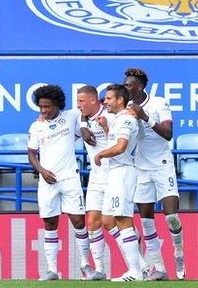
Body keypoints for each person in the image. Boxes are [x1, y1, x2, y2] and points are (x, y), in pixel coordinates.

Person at [124, 68, 186, 280]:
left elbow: (168, 134)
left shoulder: (159, 103)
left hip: (162, 165)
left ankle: (178, 253)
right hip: (141, 168)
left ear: (139, 87)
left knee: (172, 217)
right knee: (146, 221)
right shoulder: (126, 107)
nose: (126, 88)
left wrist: (145, 117)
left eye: (129, 85)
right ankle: (158, 268)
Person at [27, 84, 93, 281]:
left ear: (57, 104)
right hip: (48, 181)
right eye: (41, 107)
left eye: (47, 106)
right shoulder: (36, 126)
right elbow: (31, 155)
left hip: (70, 178)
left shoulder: (71, 116)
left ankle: (85, 266)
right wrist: (43, 172)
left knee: (79, 221)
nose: (44, 111)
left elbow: (85, 113)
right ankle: (52, 270)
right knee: (50, 223)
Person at [94, 84, 143, 281]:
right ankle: (141, 264)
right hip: (114, 173)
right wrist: (106, 128)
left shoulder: (126, 120)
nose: (104, 102)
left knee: (123, 219)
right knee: (107, 220)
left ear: (119, 100)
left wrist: (101, 153)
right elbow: (116, 143)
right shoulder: (117, 120)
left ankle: (136, 271)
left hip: (123, 173)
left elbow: (121, 147)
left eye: (108, 98)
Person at [76, 85, 113, 280]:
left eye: (81, 101)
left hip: (115, 174)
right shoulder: (81, 116)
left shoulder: (111, 114)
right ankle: (99, 270)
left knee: (114, 223)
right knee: (92, 221)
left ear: (93, 101)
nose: (78, 105)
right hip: (96, 177)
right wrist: (83, 125)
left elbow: (120, 142)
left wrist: (105, 128)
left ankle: (138, 263)